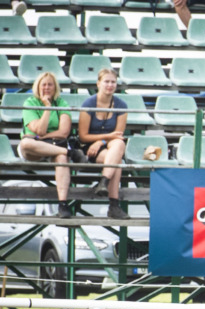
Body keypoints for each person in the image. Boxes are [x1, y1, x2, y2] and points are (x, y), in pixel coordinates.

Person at [18, 72, 87, 219]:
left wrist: (42, 137)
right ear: (38, 86)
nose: (47, 87)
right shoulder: (29, 103)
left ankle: (63, 204)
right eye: (44, 84)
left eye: (50, 84)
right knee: (25, 143)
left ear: (55, 87)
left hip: (54, 145)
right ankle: (71, 153)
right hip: (33, 149)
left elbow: (63, 132)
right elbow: (40, 129)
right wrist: (47, 107)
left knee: (61, 158)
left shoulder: (61, 103)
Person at [78, 68, 129, 220]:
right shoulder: (88, 103)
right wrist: (102, 139)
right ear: (98, 83)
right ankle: (114, 205)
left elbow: (118, 135)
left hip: (109, 146)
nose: (110, 85)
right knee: (117, 161)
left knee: (118, 144)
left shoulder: (121, 105)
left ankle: (104, 181)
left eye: (113, 82)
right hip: (89, 149)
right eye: (106, 81)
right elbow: (83, 137)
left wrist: (101, 140)